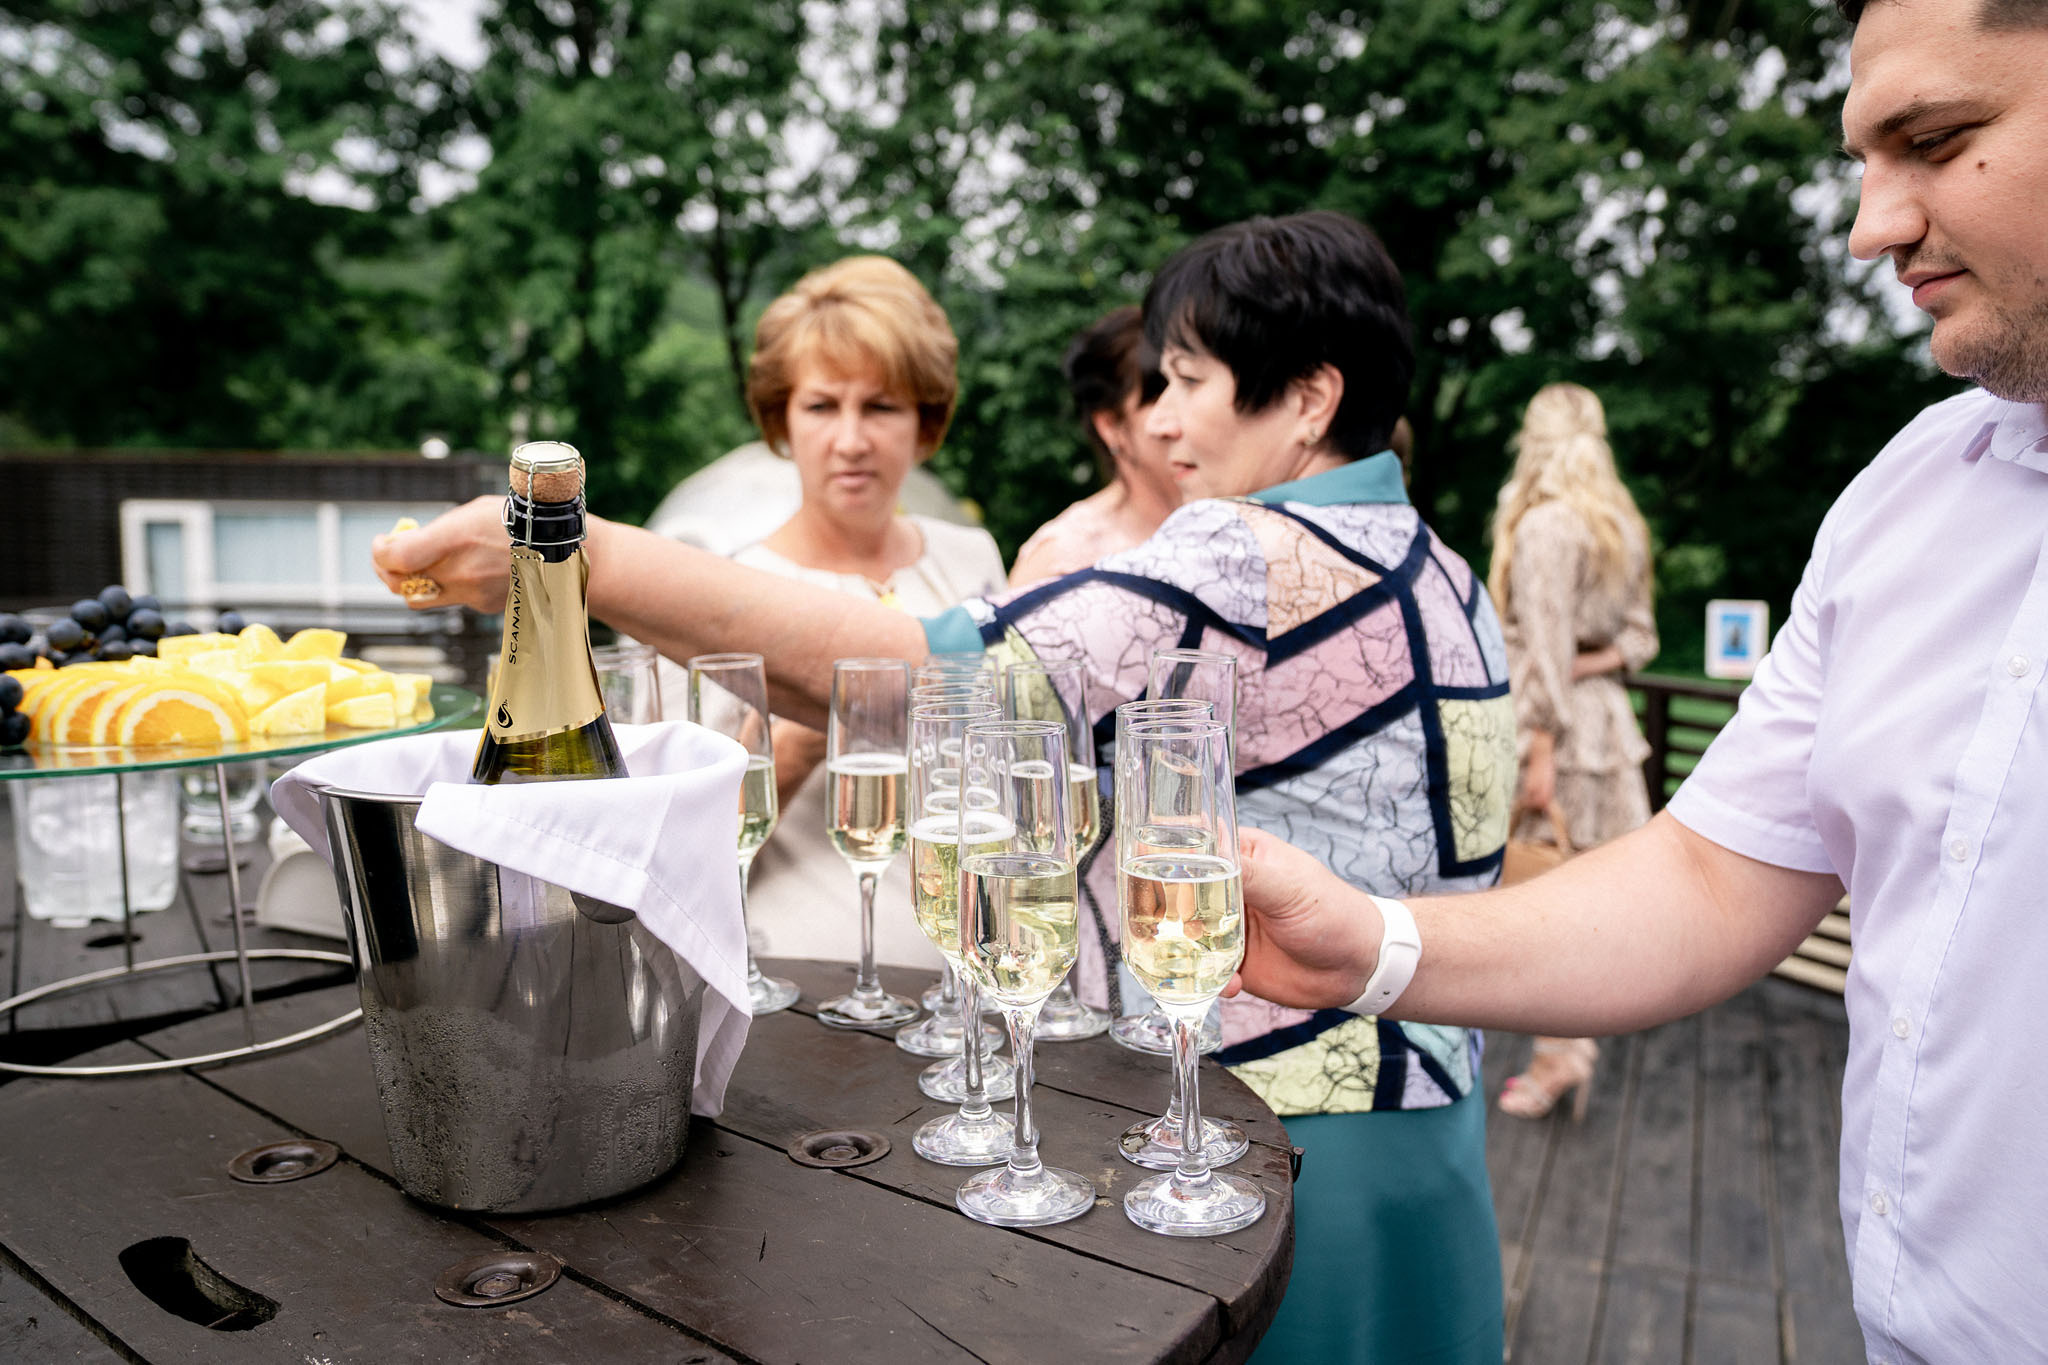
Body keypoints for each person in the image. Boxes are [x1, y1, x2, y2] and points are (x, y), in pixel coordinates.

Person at [374, 210, 1516, 1364]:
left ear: (1310, 399)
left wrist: (567, 549)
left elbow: (930, 678)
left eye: (1185, 381)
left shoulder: (1234, 553)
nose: (1157, 422)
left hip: (1266, 1150)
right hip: (1429, 1130)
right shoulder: (1444, 569)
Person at [1215, 1, 2048, 1357]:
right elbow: (1714, 877)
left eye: (1939, 139)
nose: (1870, 226)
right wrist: (1368, 943)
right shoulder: (1905, 496)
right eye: (1862, 158)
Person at [1487, 382, 1658, 1120]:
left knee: (1548, 905)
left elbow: (1548, 654)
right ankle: (1567, 1048)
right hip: (1608, 728)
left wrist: (1539, 750)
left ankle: (1561, 1056)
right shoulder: (1622, 524)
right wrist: (1592, 663)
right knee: (1586, 901)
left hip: (1553, 734)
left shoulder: (1545, 527)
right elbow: (1641, 639)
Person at [1005, 306, 1179, 586]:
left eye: (1191, 385)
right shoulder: (1059, 560)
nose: (1182, 414)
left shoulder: (1243, 516)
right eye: (1157, 397)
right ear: (1110, 425)